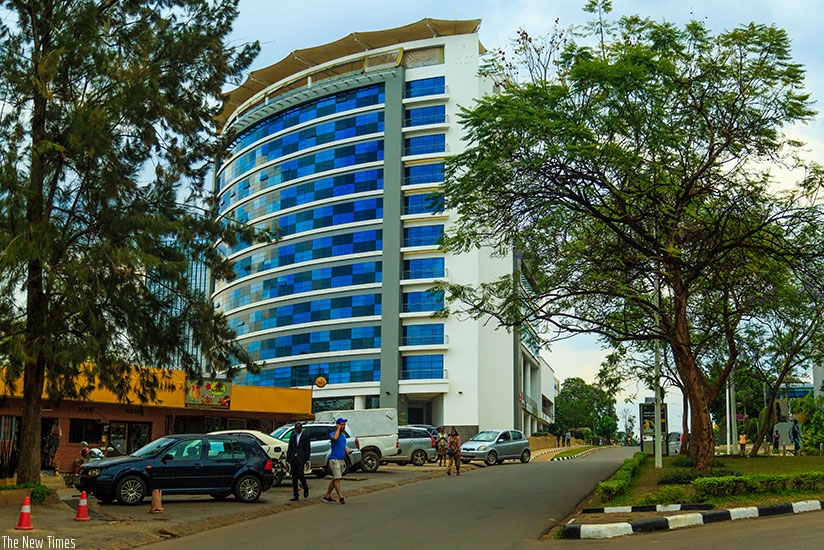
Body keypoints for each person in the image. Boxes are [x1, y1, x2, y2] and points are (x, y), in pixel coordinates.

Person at [323, 418, 352, 504]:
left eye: (344, 425)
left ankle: (327, 495)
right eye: (342, 425)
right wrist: (338, 429)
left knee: (336, 478)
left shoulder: (343, 436)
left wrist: (347, 450)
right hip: (334, 459)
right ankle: (341, 497)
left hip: (341, 459)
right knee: (337, 478)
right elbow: (334, 438)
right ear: (338, 425)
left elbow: (342, 446)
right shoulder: (333, 434)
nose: (343, 426)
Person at [286, 421, 311, 501]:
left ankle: (305, 487)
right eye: (296, 428)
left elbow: (307, 448)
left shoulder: (305, 436)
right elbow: (290, 448)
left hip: (301, 458)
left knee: (301, 474)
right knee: (294, 477)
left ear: (301, 428)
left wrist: (307, 460)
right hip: (293, 458)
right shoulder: (292, 436)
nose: (297, 430)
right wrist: (287, 460)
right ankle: (295, 495)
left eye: (298, 428)